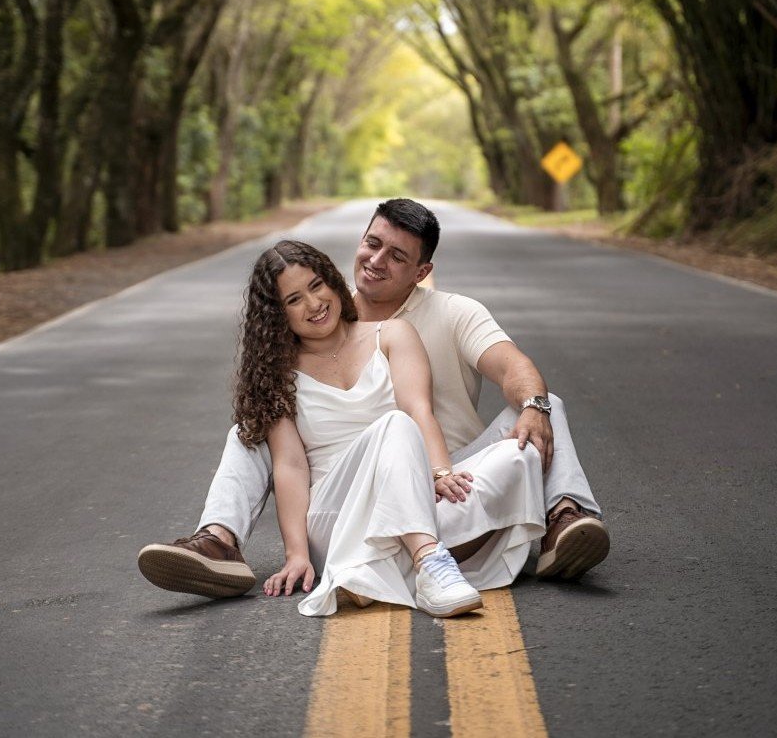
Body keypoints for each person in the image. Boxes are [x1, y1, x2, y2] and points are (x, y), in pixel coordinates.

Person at [137, 199, 609, 600]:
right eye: (372, 243)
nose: (377, 261)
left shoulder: (447, 314)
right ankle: (218, 540)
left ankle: (562, 518)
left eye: (397, 256)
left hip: (446, 475)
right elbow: (292, 463)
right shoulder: (318, 317)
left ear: (422, 272)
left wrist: (527, 409)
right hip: (348, 493)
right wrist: (297, 551)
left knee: (544, 406)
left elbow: (506, 370)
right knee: (249, 428)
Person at [225, 241, 545, 616]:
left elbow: (419, 409)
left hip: (406, 499)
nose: (313, 304)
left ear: (332, 281)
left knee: (519, 453)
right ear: (278, 315)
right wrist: (297, 554)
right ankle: (429, 563)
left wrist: (440, 473)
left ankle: (377, 569)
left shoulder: (392, 334)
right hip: (336, 516)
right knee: (395, 424)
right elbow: (290, 466)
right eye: (294, 300)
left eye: (316, 286)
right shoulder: (277, 373)